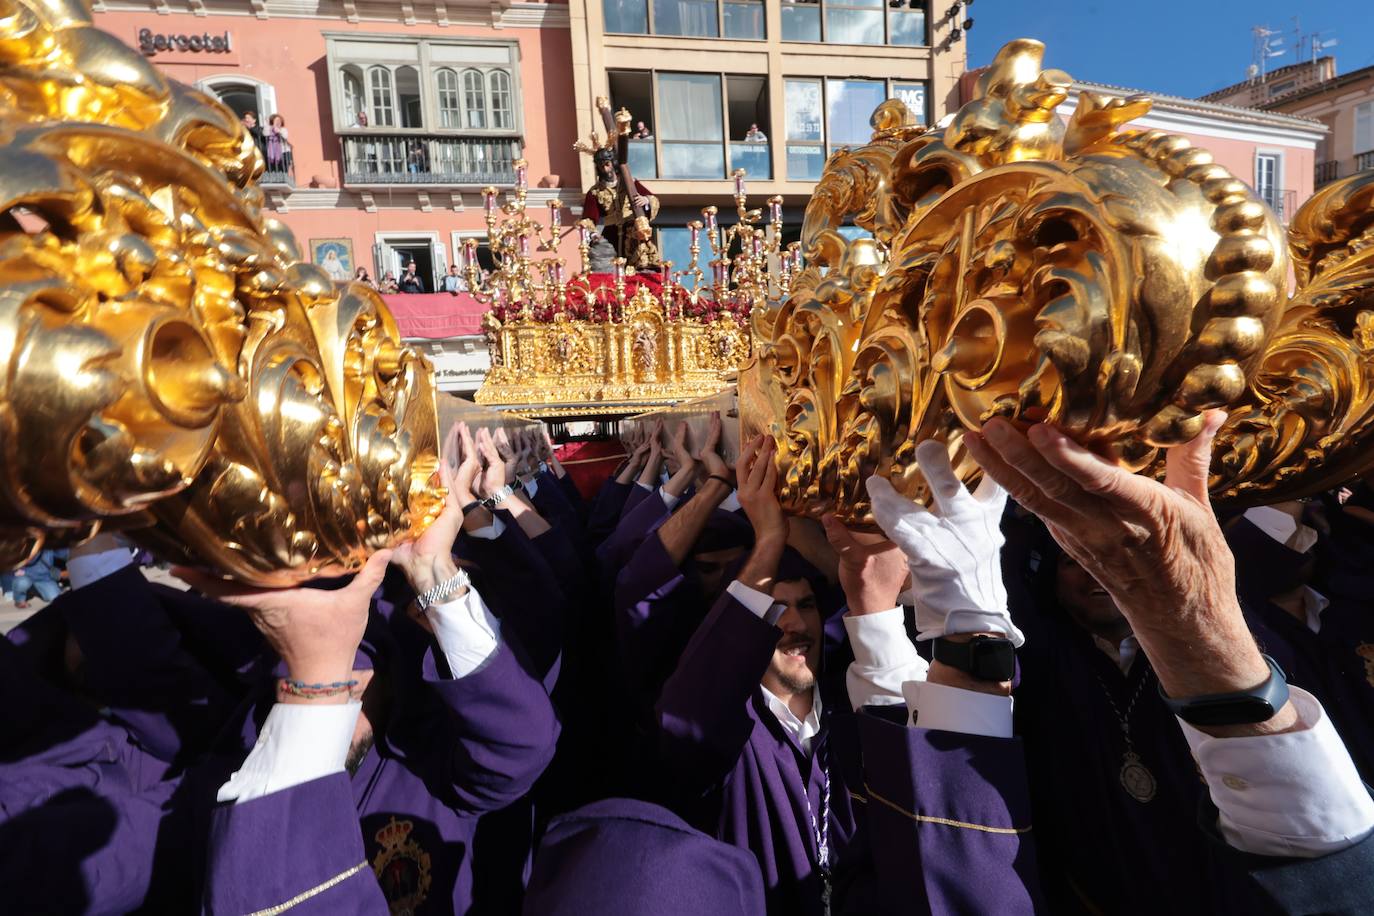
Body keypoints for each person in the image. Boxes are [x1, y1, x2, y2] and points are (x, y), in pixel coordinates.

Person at [196, 421, 561, 915]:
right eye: (316, 690)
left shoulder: (423, 758)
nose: (333, 708)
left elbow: (523, 741)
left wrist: (435, 574)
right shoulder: (242, 743)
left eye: (349, 690)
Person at [581, 147, 657, 259]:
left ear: (613, 163)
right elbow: (588, 218)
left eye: (607, 164)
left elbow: (653, 199)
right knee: (606, 258)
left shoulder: (630, 182)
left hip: (632, 228)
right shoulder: (594, 192)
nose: (606, 169)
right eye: (602, 167)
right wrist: (593, 233)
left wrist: (645, 200)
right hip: (611, 232)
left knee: (641, 254)